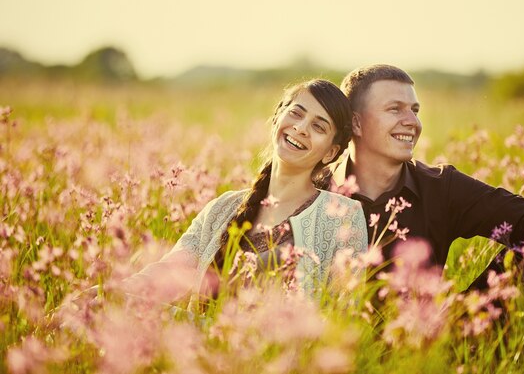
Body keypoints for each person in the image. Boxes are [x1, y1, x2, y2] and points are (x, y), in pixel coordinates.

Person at [332, 64, 524, 303]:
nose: (413, 122)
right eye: (395, 109)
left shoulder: (440, 186)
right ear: (356, 123)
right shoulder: (319, 190)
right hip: (337, 339)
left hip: (434, 338)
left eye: (415, 110)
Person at [114, 79, 368, 304]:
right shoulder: (223, 207)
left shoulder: (343, 216)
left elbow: (345, 309)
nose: (301, 128)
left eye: (318, 127)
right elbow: (171, 269)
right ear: (278, 117)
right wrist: (113, 290)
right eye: (296, 114)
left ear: (331, 152)